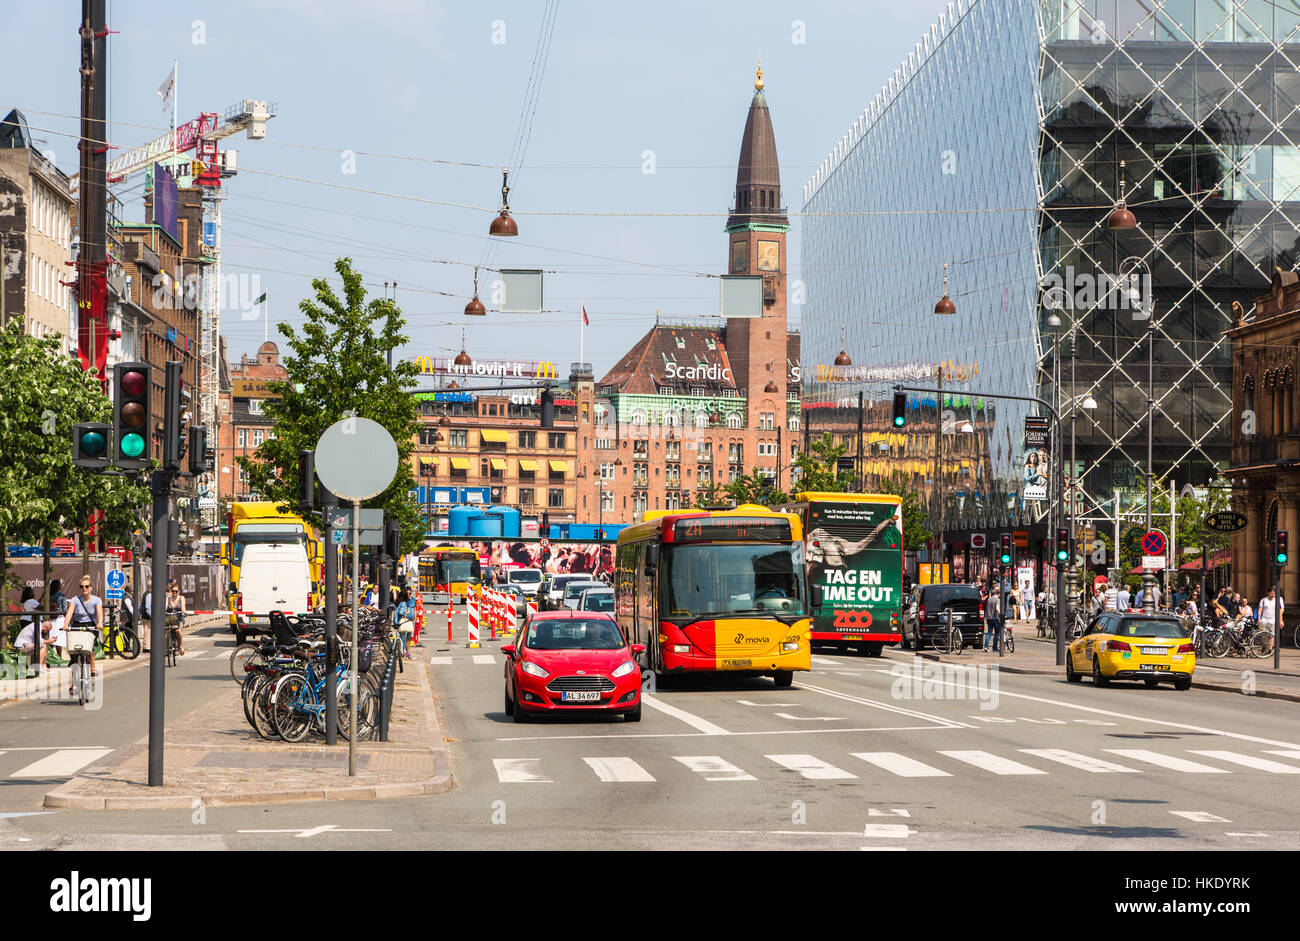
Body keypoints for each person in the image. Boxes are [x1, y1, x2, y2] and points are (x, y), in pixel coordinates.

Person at [66, 575, 105, 693]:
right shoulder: (75, 599)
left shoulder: (96, 600)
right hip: (78, 624)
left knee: (89, 649)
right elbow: (69, 613)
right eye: (82, 587)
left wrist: (100, 623)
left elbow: (99, 613)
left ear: (91, 587)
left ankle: (92, 668)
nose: (84, 589)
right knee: (74, 654)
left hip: (91, 625)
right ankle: (74, 684)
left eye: (87, 586)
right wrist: (65, 624)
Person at [392, 586, 416, 659]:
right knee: (403, 638)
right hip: (403, 622)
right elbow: (401, 612)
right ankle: (402, 653)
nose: (409, 595)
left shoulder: (398, 602)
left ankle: (402, 652)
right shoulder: (403, 603)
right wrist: (406, 613)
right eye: (408, 594)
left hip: (398, 622)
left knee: (401, 637)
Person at [165, 579, 188, 656]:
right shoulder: (168, 598)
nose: (174, 593)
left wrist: (184, 611)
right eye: (173, 591)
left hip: (179, 617)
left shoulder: (181, 598)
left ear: (179, 591)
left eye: (176, 591)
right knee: (167, 632)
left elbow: (183, 607)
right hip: (170, 617)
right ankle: (166, 648)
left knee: (178, 631)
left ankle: (180, 645)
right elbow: (165, 607)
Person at [984, 586, 1002, 654]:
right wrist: (1001, 614)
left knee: (989, 632)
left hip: (988, 617)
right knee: (997, 633)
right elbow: (997, 608)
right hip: (995, 618)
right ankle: (994, 647)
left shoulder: (989, 599)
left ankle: (986, 646)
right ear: (998, 594)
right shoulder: (997, 600)